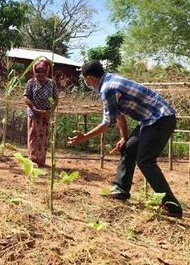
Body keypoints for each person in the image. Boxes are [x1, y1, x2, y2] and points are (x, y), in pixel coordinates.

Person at [68, 61, 182, 218]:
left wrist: (85, 137)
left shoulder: (108, 89)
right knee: (129, 148)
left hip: (160, 118)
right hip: (149, 120)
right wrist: (123, 137)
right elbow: (119, 115)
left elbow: (107, 124)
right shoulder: (110, 80)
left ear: (89, 78)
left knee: (145, 161)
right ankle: (120, 190)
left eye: (85, 79)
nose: (86, 83)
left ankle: (172, 207)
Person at [24, 59, 58, 167]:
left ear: (46, 71)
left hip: (46, 115)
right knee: (34, 136)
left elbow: (55, 98)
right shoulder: (31, 82)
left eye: (43, 71)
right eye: (38, 71)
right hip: (34, 114)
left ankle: (41, 160)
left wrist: (51, 110)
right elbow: (26, 97)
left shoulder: (51, 83)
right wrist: (34, 109)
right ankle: (32, 160)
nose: (40, 74)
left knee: (44, 137)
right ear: (34, 72)